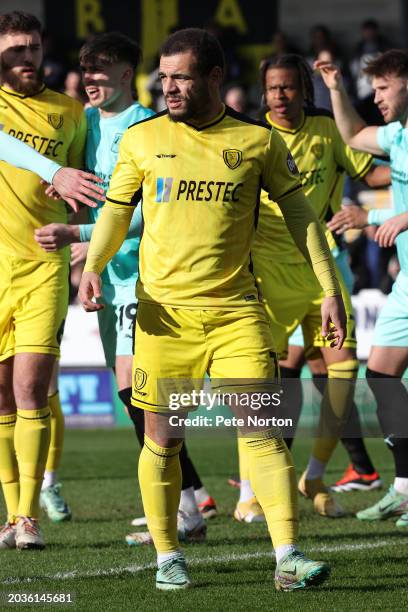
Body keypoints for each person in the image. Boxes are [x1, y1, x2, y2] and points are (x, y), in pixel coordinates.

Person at [79, 28, 346, 591]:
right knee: (163, 439)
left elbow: (304, 221)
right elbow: (114, 213)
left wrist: (329, 290)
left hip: (237, 314)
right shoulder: (141, 139)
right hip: (163, 319)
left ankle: (288, 556)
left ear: (215, 77)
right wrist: (95, 267)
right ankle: (168, 556)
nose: (168, 87)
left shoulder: (256, 142)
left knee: (263, 434)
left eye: (181, 77)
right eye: (164, 76)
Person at [34, 31, 216, 540]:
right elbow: (77, 181)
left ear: (125, 74)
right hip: (106, 281)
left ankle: (187, 506)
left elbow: (142, 213)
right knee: (132, 394)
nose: (90, 78)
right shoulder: (84, 122)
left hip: (144, 275)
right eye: (85, 68)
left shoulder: (149, 128)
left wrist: (80, 235)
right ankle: (191, 500)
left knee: (144, 395)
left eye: (102, 69)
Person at [235, 54, 388, 522]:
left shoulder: (327, 129)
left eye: (288, 88)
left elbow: (374, 174)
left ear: (305, 89)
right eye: (272, 89)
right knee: (261, 388)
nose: (280, 97)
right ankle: (249, 494)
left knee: (341, 375)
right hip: (267, 273)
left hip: (322, 269)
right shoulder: (250, 138)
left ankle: (315, 476)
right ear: (263, 93)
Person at [0, 10, 87, 550]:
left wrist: (83, 244)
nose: (25, 58)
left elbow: (87, 187)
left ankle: (28, 515)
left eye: (31, 48)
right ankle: (10, 513)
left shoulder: (70, 113)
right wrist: (49, 168)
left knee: (31, 388)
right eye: (13, 50)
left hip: (41, 266)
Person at [316, 49, 408, 527]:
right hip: (407, 282)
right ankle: (403, 487)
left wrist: (376, 216)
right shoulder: (396, 135)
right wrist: (334, 88)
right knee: (383, 377)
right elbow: (351, 134)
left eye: (384, 88)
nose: (376, 97)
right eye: (372, 89)